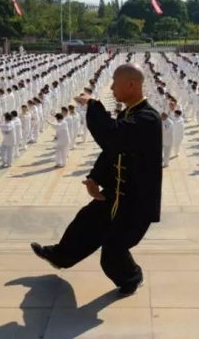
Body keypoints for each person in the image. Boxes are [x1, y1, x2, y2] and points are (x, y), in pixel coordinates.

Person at [31, 63, 162, 298]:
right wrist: (94, 178)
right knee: (85, 223)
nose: (111, 88)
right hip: (114, 193)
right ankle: (58, 257)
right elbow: (112, 151)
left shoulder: (148, 119)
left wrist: (93, 104)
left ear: (131, 84)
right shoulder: (129, 114)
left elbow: (111, 135)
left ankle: (132, 276)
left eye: (115, 83)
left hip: (136, 202)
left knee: (112, 251)